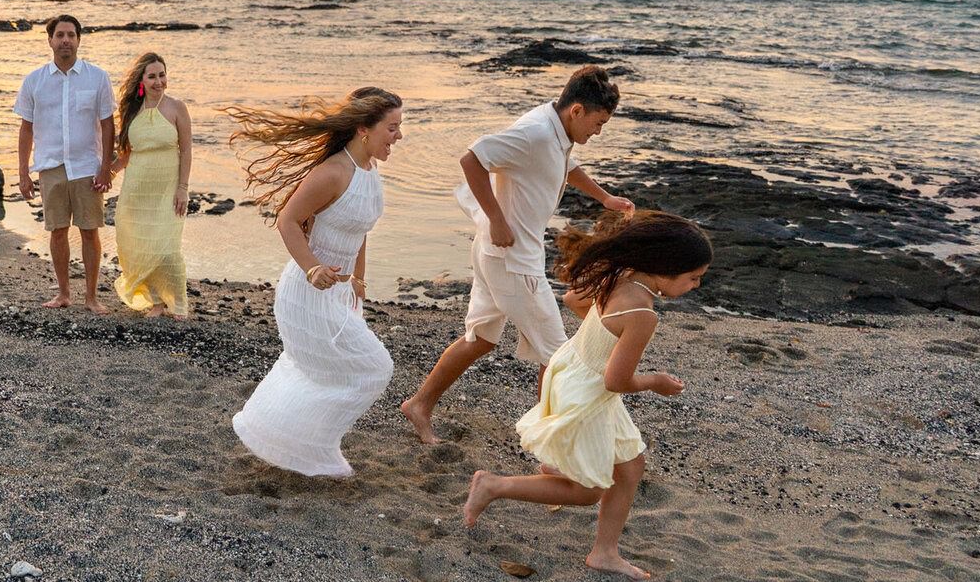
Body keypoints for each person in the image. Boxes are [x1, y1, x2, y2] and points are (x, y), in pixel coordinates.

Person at [462, 210, 711, 581]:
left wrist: (598, 339)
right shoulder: (643, 313)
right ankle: (493, 486)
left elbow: (572, 300)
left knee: (630, 464)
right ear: (664, 268)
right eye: (693, 278)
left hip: (572, 371)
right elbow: (616, 381)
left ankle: (604, 552)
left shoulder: (620, 275)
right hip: (589, 391)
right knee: (587, 491)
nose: (696, 286)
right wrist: (656, 381)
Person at [401, 65, 635, 444]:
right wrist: (497, 218)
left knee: (481, 339)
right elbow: (472, 159)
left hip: (498, 254)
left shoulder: (555, 130)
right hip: (511, 258)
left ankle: (419, 404)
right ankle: (553, 446)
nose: (599, 130)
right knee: (558, 356)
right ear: (577, 111)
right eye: (599, 122)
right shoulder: (535, 132)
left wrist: (604, 197)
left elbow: (564, 166)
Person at [227, 88, 403, 478]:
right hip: (305, 295)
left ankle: (295, 440)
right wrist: (312, 267)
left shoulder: (370, 171)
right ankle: (310, 446)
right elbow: (287, 221)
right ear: (364, 130)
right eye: (392, 128)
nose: (398, 137)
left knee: (331, 372)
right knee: (374, 368)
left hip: (340, 294)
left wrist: (359, 278)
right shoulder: (332, 173)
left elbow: (360, 229)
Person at [13, 14, 115, 314]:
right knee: (57, 230)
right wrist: (23, 171)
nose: (66, 40)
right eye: (60, 35)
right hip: (51, 165)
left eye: (71, 35)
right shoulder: (34, 81)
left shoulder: (98, 77)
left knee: (90, 230)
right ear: (50, 40)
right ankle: (63, 294)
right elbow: (26, 128)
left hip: (87, 165)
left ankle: (92, 297)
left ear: (79, 39)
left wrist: (106, 166)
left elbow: (108, 125)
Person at [110, 52, 193, 318]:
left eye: (162, 75)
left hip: (167, 189)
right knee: (137, 243)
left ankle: (178, 303)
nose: (159, 81)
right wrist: (107, 175)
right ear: (142, 81)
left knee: (168, 247)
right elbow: (126, 154)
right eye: (153, 76)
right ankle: (156, 302)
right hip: (136, 189)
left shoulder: (177, 107)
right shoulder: (131, 111)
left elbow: (187, 150)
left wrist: (183, 188)